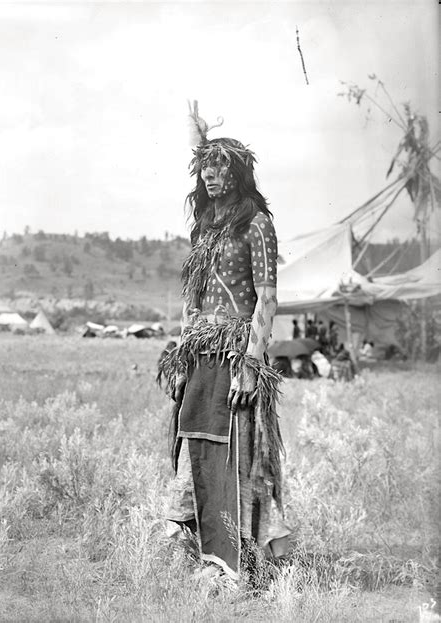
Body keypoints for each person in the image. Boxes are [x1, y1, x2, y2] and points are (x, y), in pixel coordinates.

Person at [159, 103, 290, 581]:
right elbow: (191, 298)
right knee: (193, 441)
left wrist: (252, 364)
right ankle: (202, 553)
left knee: (236, 451)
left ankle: (238, 562)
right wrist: (180, 353)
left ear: (237, 176)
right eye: (206, 169)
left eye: (220, 168)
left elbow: (267, 299)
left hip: (237, 352)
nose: (211, 177)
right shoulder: (206, 231)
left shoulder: (257, 225)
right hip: (199, 354)